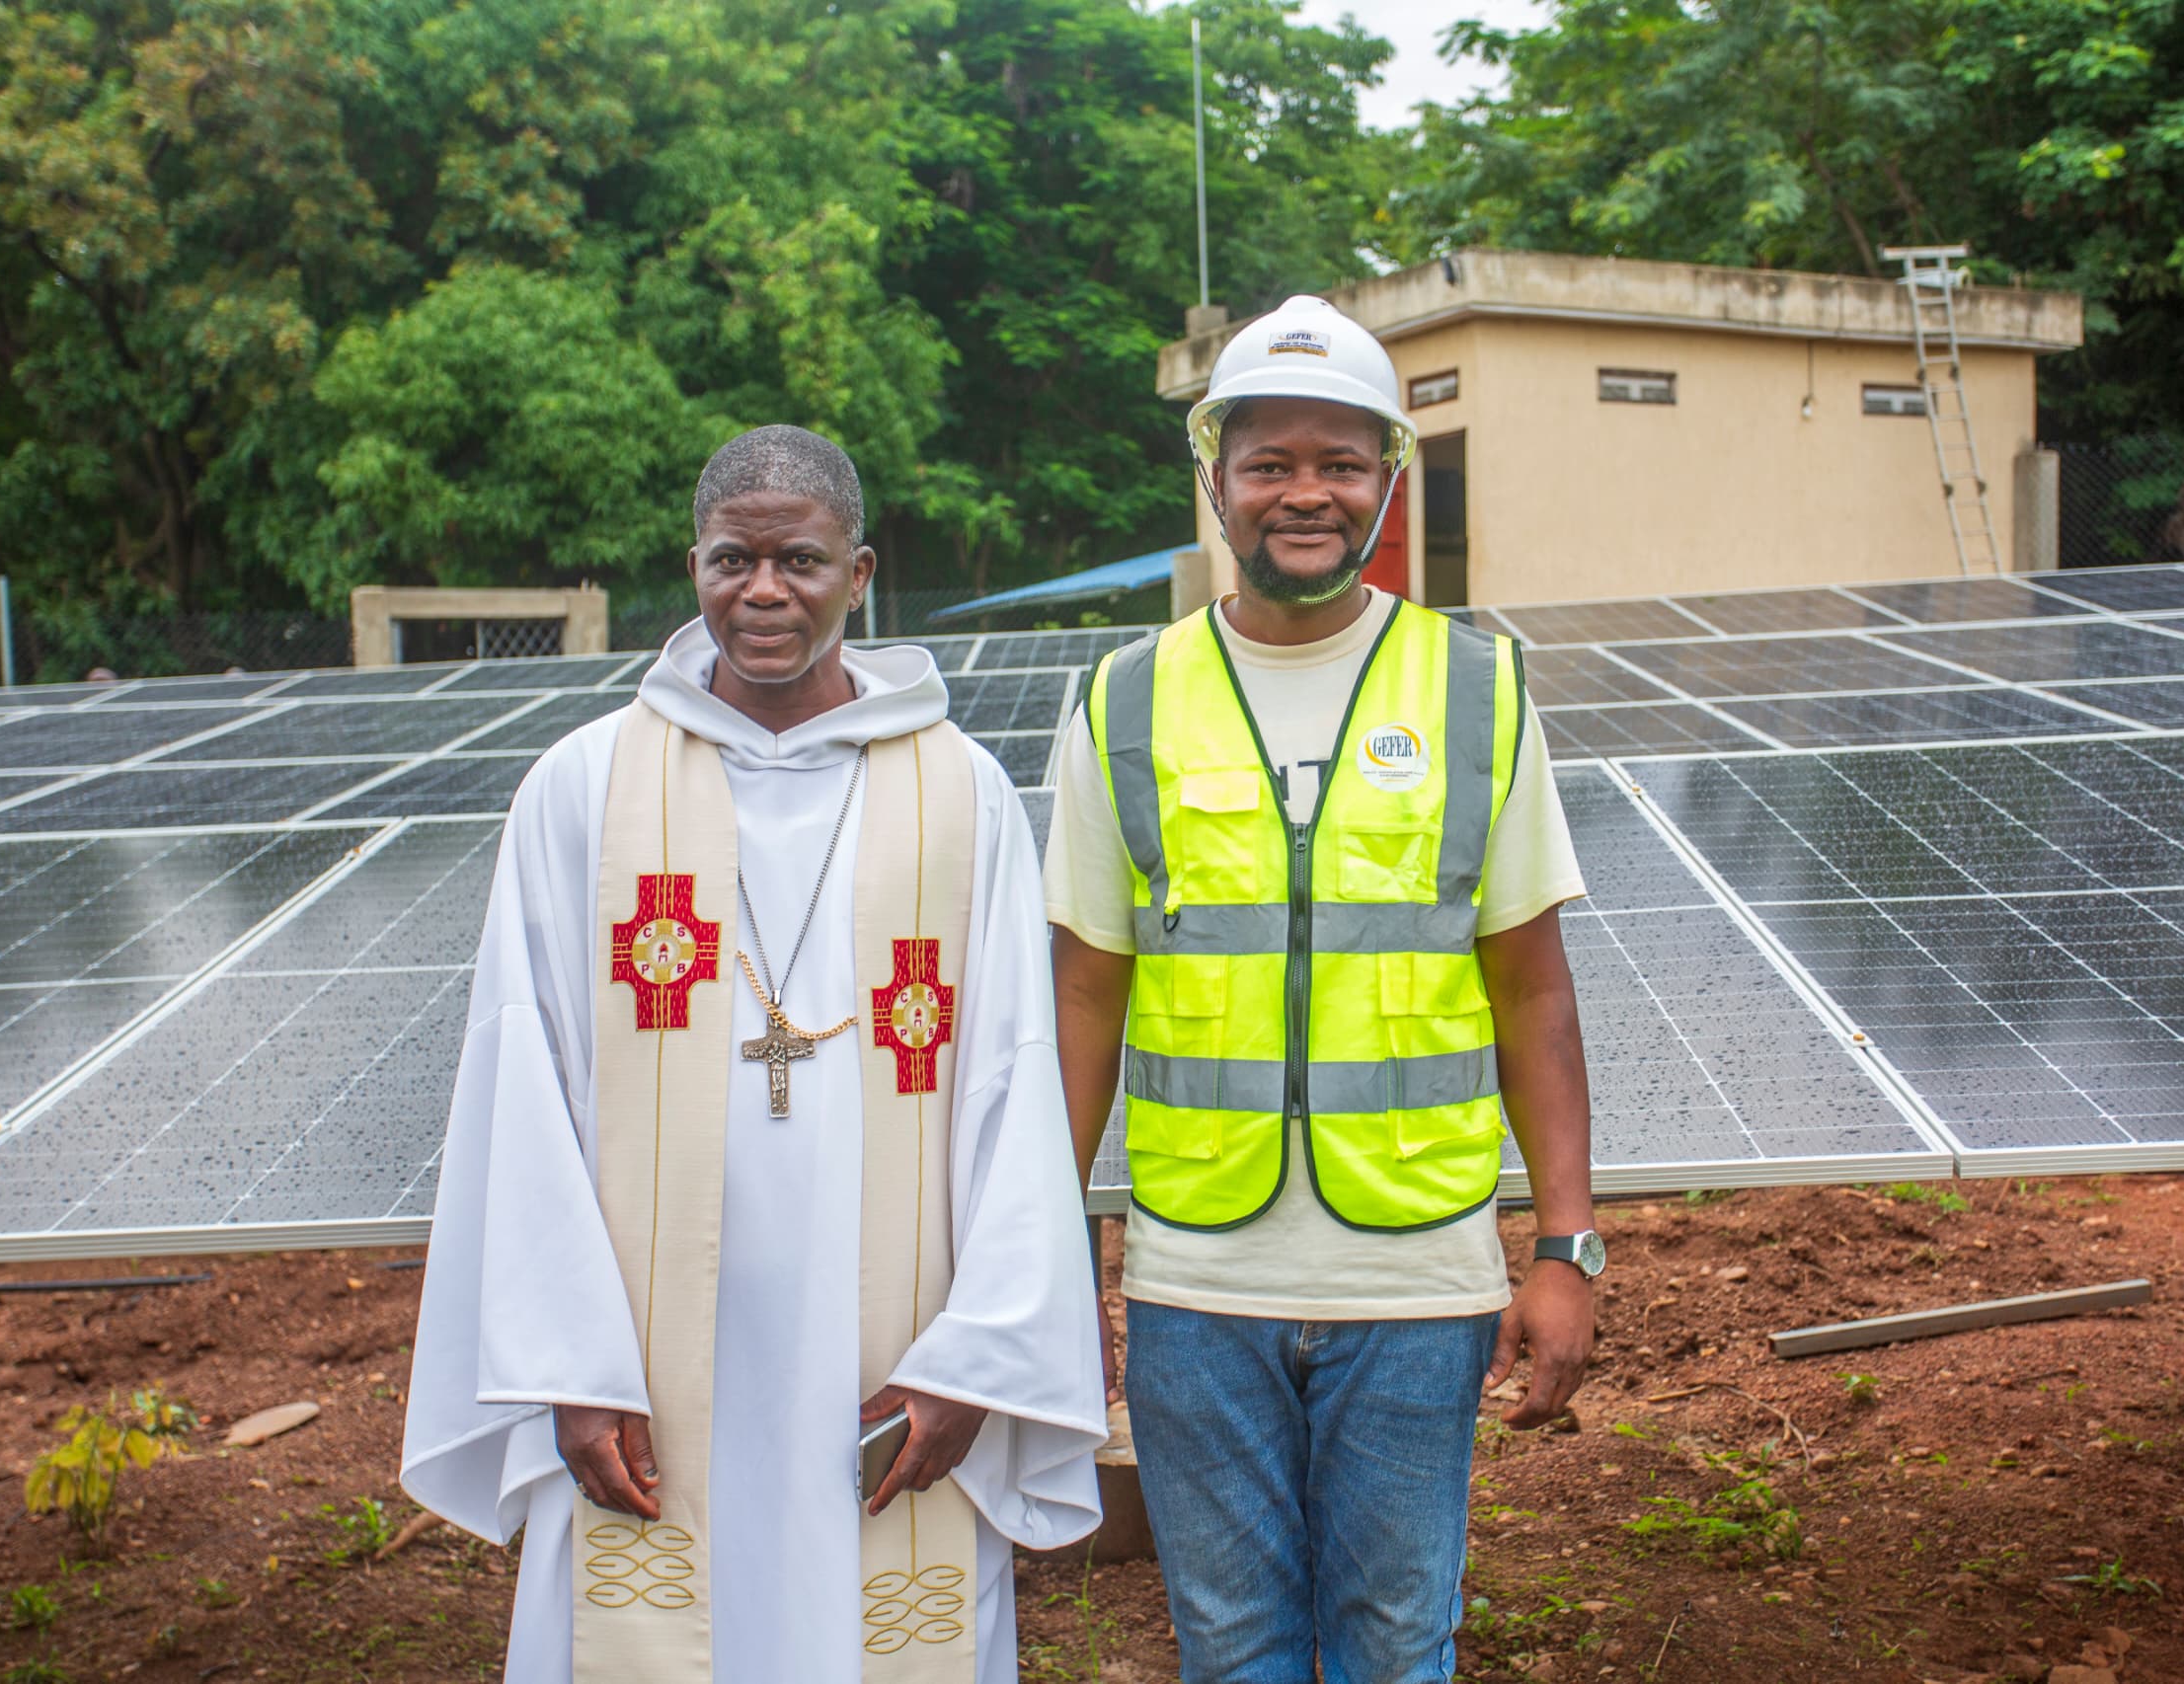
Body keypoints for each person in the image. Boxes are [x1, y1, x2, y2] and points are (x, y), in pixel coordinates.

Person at [403, 424, 1108, 1683]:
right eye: (734, 559)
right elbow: (524, 1080)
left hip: (888, 1360)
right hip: (648, 1364)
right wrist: (570, 1364)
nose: (764, 590)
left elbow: (1015, 1075)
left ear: (862, 569)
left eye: (800, 559)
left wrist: (976, 1355)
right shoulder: (584, 788)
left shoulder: (961, 792)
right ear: (693, 566)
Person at [1044, 296, 1600, 1682]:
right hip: (1192, 1279)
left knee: (1396, 1644)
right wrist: (1045, 1254)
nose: (1306, 492)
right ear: (1215, 476)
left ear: (1388, 476)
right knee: (1231, 1649)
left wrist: (1565, 1247)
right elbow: (1081, 1002)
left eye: (1342, 462)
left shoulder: (1479, 687)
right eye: (1271, 461)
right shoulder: (1123, 699)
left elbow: (1532, 991)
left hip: (1417, 1278)